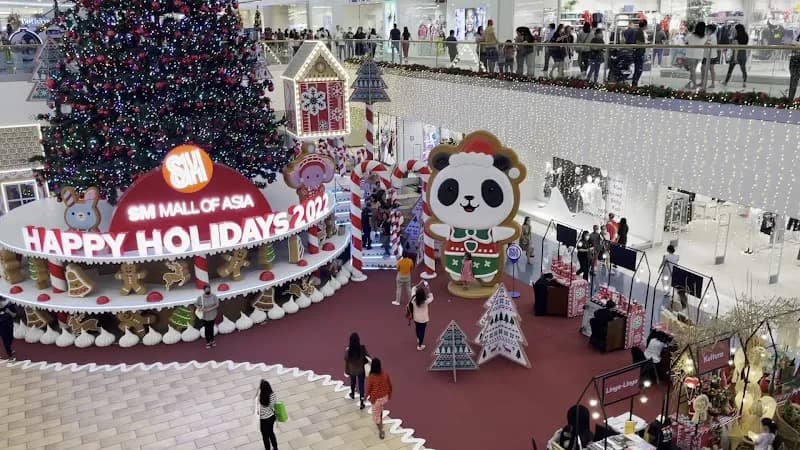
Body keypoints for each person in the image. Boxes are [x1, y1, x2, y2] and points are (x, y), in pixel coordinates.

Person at [365, 358, 393, 440]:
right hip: (385, 397)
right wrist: (390, 394)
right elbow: (389, 385)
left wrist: (366, 397)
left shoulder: (372, 376)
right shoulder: (385, 373)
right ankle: (381, 420)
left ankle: (381, 430)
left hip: (376, 399)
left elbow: (369, 388)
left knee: (375, 417)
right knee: (380, 410)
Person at [344, 332, 369, 409]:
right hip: (361, 369)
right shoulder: (362, 348)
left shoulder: (348, 351)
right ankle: (362, 400)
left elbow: (346, 359)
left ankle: (352, 393)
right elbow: (367, 357)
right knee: (361, 385)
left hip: (352, 370)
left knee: (353, 382)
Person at [409, 282, 433, 350]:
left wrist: (419, 283)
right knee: (422, 331)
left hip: (416, 318)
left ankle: (418, 338)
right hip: (423, 319)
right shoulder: (426, 301)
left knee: (417, 328)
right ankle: (420, 345)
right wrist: (427, 288)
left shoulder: (413, 299)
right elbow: (431, 296)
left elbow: (413, 288)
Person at [723, 24, 749, 88]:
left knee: (730, 69)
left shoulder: (736, 38)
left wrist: (735, 58)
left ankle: (726, 82)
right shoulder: (746, 36)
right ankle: (744, 83)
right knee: (743, 70)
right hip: (743, 54)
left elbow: (736, 49)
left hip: (736, 55)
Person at [256, 379, 278, 450]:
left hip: (263, 420)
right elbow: (273, 406)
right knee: (271, 432)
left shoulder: (259, 396)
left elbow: (256, 405)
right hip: (271, 417)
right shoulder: (272, 394)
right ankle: (275, 448)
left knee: (265, 437)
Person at [195, 284, 219, 349]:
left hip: (212, 315)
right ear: (204, 290)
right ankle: (208, 342)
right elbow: (196, 304)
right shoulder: (201, 298)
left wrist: (209, 309)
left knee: (211, 328)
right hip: (205, 316)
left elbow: (217, 304)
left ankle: (212, 340)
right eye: (206, 289)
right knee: (207, 329)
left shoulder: (214, 296)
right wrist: (200, 308)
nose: (208, 290)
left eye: (208, 289)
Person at [684, 22, 707, 89]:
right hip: (699, 55)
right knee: (693, 71)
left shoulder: (690, 35)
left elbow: (685, 41)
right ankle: (689, 83)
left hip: (691, 54)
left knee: (692, 71)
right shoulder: (705, 36)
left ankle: (694, 85)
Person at [632, 20, 647, 87]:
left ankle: (635, 83)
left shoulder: (639, 31)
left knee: (638, 69)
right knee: (639, 69)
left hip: (638, 52)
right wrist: (645, 45)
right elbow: (638, 42)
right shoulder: (639, 32)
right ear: (644, 25)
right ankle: (635, 83)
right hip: (639, 53)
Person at [704, 23, 719, 88]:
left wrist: (704, 42)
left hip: (711, 56)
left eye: (707, 29)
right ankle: (705, 82)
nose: (706, 30)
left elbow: (710, 44)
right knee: (706, 68)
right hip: (707, 55)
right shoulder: (709, 35)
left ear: (710, 30)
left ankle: (712, 83)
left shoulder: (713, 36)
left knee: (711, 69)